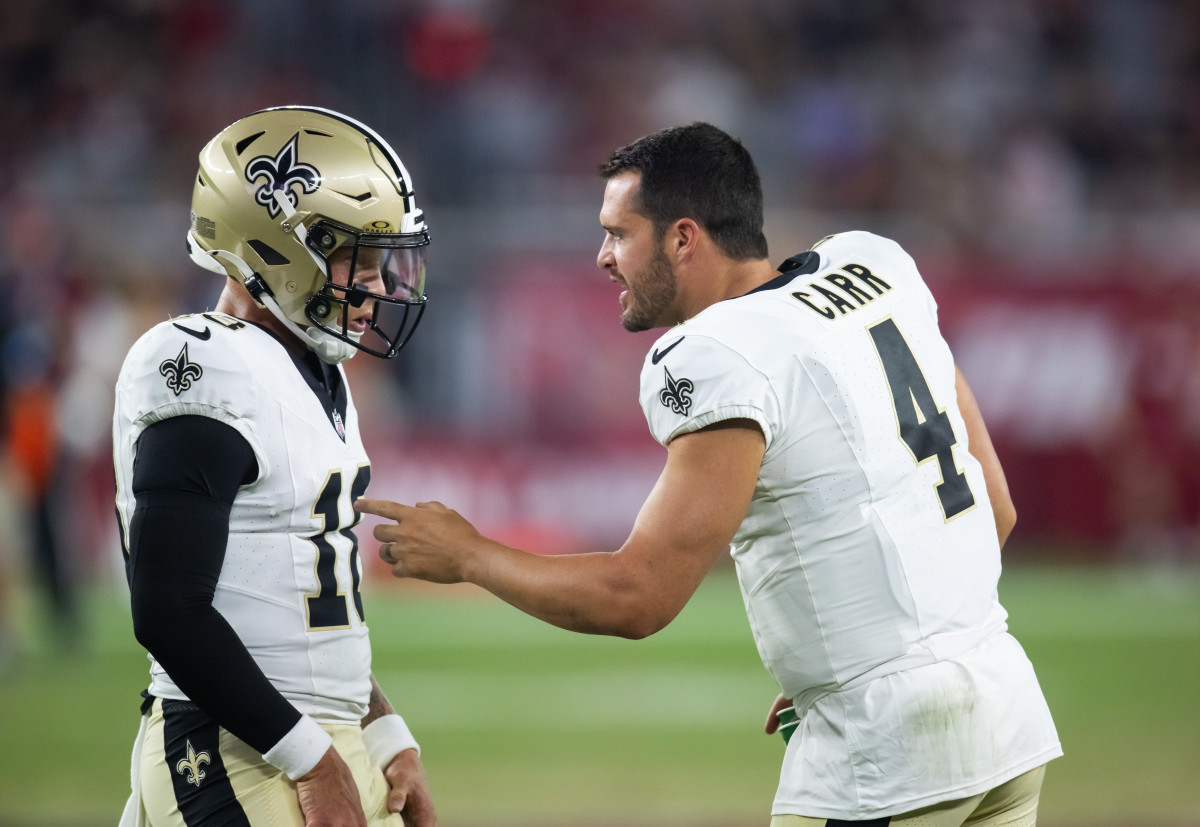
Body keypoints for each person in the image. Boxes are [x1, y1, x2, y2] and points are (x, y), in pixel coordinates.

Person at [356, 122, 1062, 826]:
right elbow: (992, 510)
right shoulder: (874, 265)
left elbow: (637, 595)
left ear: (684, 238)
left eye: (618, 233)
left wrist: (471, 554)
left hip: (887, 757)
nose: (602, 257)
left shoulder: (716, 351)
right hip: (1007, 717)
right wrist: (861, 650)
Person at [113, 106, 437, 827]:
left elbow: (301, 611)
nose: (381, 287)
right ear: (278, 249)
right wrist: (315, 759)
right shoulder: (200, 361)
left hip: (302, 739)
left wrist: (381, 731)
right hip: (238, 748)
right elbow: (168, 609)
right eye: (360, 257)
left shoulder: (319, 372)